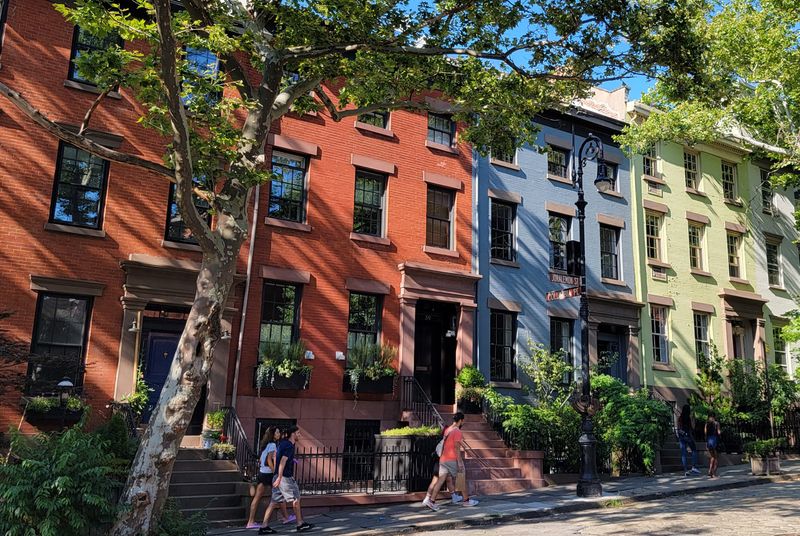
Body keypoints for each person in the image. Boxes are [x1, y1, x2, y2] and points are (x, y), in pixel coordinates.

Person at [259, 425, 313, 534]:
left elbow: (278, 458)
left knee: (273, 502)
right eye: (298, 433)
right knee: (296, 499)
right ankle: (300, 524)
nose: (299, 435)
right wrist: (279, 477)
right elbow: (283, 461)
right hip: (284, 478)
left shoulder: (282, 444)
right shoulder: (289, 446)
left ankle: (264, 527)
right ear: (293, 434)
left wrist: (291, 461)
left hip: (278, 476)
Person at [424, 413, 478, 511]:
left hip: (443, 459)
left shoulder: (448, 429)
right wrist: (460, 462)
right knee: (461, 479)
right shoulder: (457, 431)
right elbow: (457, 448)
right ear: (461, 420)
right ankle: (466, 501)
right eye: (463, 420)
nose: (463, 422)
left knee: (440, 481)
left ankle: (431, 501)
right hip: (452, 459)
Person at [246, 427, 295, 529]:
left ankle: (250, 522)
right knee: (279, 495)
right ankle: (286, 517)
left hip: (262, 473)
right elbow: (269, 460)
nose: (279, 433)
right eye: (277, 432)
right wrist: (275, 472)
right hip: (268, 473)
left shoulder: (265, 445)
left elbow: (261, 459)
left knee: (258, 497)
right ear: (273, 434)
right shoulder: (272, 445)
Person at [677, 404, 701, 476]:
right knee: (694, 450)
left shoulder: (680, 418)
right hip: (687, 436)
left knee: (683, 454)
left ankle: (685, 470)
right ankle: (693, 467)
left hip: (682, 437)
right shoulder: (688, 418)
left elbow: (679, 428)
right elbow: (691, 428)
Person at [705, 412, 722, 478]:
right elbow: (719, 432)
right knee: (716, 458)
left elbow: (705, 433)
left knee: (712, 457)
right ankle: (714, 473)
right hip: (715, 440)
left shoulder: (707, 424)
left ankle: (709, 470)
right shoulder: (717, 423)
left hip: (709, 441)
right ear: (714, 417)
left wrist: (706, 443)